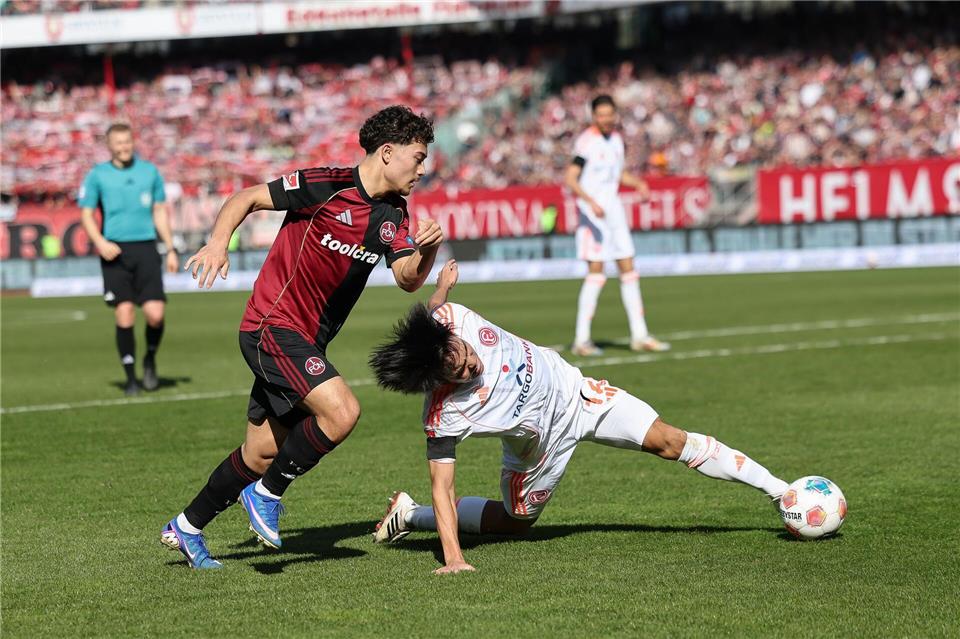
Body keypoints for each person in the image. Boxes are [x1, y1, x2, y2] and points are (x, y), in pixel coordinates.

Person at [369, 260, 788, 574]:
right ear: (436, 380)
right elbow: (443, 487)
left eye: (463, 356)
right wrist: (454, 559)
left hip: (579, 394)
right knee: (514, 525)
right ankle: (409, 514)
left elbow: (434, 309)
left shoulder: (449, 319)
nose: (470, 367)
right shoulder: (444, 415)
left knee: (668, 440)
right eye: (457, 373)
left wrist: (442, 286)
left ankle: (780, 492)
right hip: (540, 450)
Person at [160, 106, 443, 569]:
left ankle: (187, 527)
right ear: (388, 153)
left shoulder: (395, 214)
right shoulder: (325, 185)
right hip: (272, 326)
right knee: (343, 411)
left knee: (260, 453)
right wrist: (217, 242)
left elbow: (407, 279)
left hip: (306, 342)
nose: (422, 169)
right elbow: (246, 198)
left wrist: (427, 250)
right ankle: (267, 495)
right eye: (418, 157)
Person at [565, 95, 669, 357]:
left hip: (614, 212)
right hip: (593, 215)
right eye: (601, 114)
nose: (606, 119)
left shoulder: (616, 141)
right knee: (596, 273)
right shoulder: (586, 142)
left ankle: (640, 336)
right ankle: (581, 340)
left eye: (609, 114)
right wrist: (590, 201)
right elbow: (571, 178)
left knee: (629, 268)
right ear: (593, 116)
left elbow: (618, 174)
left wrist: (639, 183)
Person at [79, 123, 178, 395]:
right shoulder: (97, 175)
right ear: (109, 146)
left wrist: (170, 248)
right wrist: (100, 242)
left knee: (155, 315)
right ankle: (131, 378)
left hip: (146, 247)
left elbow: (159, 210)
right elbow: (86, 214)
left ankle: (150, 358)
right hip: (115, 250)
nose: (124, 147)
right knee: (125, 313)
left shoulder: (149, 172)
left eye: (127, 141)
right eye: (118, 142)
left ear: (133, 142)